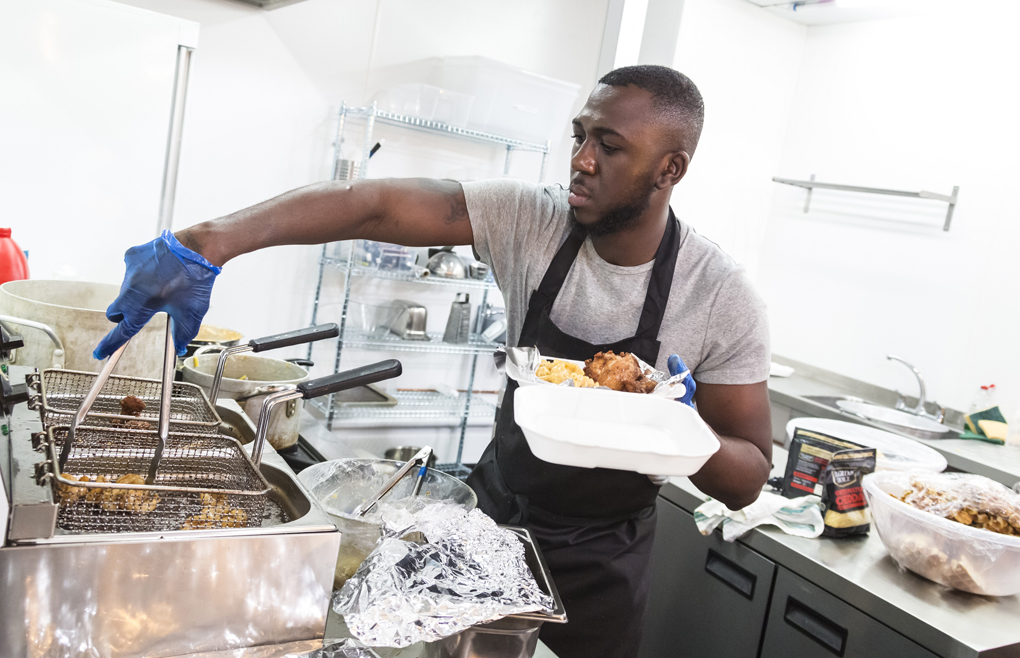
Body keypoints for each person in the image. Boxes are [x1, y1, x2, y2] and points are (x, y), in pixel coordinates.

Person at [95, 65, 772, 658]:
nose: (582, 160)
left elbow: (747, 479)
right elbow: (374, 207)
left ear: (670, 168)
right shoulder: (535, 222)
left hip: (600, 565)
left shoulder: (719, 294)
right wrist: (208, 240)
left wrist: (676, 429)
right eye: (580, 136)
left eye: (609, 145)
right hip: (489, 521)